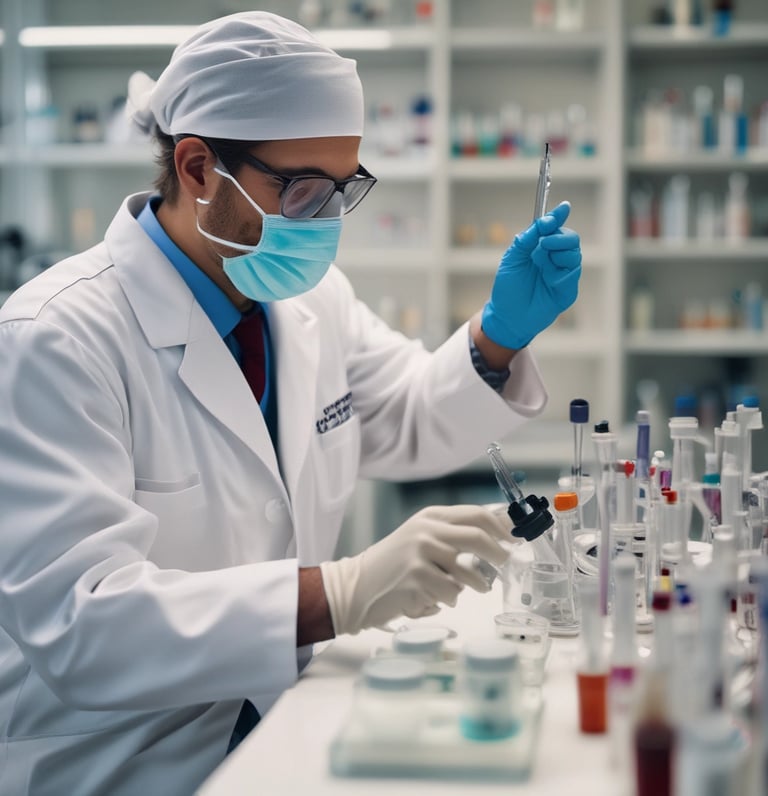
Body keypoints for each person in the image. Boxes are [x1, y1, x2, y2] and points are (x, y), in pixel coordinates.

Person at [0, 11, 581, 795]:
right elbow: (82, 623)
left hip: (280, 733)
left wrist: (500, 337)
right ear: (199, 167)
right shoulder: (55, 338)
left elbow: (407, 417)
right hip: (119, 765)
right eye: (305, 189)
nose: (329, 219)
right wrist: (338, 594)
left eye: (346, 188)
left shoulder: (312, 302)